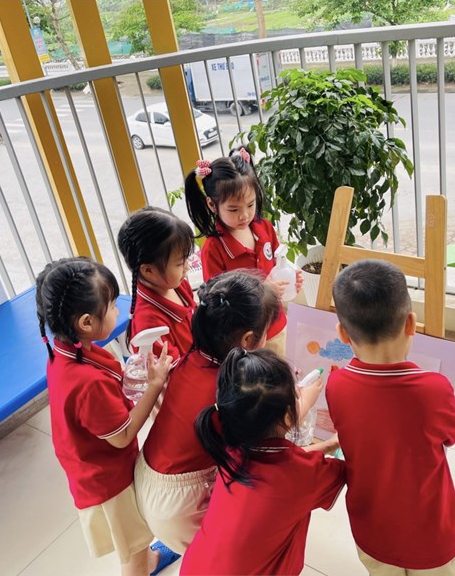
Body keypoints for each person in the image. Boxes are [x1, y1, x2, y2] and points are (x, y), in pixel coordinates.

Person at [134, 270, 317, 556]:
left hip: (149, 478)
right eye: (267, 332)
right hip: (181, 506)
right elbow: (273, 432)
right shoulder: (233, 388)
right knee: (224, 559)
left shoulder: (193, 358)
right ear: (249, 340)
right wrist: (304, 402)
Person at [35, 257, 178, 576]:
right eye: (111, 305)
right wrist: (155, 385)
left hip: (89, 468)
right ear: (86, 322)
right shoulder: (88, 383)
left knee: (134, 539)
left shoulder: (65, 351)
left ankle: (148, 560)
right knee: (134, 547)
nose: (117, 310)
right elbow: (122, 436)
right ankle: (142, 566)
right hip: (109, 482)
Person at [326, 260, 455, 576]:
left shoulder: (336, 385)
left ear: (343, 334)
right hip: (432, 534)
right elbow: (451, 434)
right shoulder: (434, 388)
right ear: (411, 323)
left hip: (372, 530)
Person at [180, 347, 346, 576]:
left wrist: (327, 444)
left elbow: (288, 461)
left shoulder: (230, 446)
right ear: (288, 414)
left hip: (197, 567)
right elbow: (345, 470)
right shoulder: (303, 474)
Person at [184, 147, 303, 356]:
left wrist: (292, 277)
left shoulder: (264, 228)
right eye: (234, 209)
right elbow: (218, 303)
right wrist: (263, 290)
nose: (245, 215)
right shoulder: (214, 249)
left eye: (250, 204)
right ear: (212, 204)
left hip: (276, 324)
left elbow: (278, 262)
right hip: (245, 340)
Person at [118, 206, 196, 366]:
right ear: (148, 270)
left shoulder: (177, 284)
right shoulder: (149, 325)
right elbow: (172, 374)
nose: (187, 267)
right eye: (180, 263)